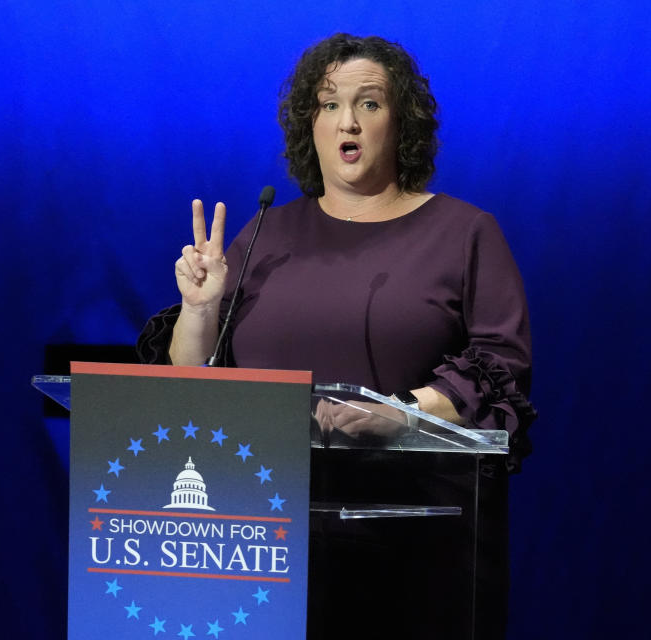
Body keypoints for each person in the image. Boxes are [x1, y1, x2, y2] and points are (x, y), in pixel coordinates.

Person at [137, 33, 535, 469]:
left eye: (369, 104)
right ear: (311, 126)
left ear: (401, 122)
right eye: (329, 105)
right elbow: (191, 379)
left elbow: (501, 368)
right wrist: (200, 309)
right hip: (261, 506)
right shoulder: (265, 233)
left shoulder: (462, 232)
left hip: (409, 509)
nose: (348, 122)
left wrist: (404, 414)